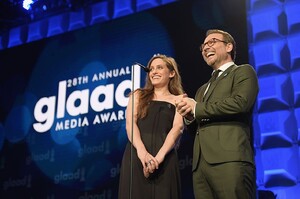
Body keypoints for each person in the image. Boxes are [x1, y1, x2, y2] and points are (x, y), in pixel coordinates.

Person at [176, 29, 259, 199]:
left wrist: (197, 108)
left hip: (230, 161)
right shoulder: (202, 89)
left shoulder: (243, 72)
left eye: (212, 42)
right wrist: (190, 116)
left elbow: (240, 103)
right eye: (204, 45)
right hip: (200, 167)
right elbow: (198, 127)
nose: (206, 47)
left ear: (229, 46)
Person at [118, 54, 185, 199]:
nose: (154, 72)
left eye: (159, 68)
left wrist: (158, 158)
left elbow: (178, 128)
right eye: (151, 69)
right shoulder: (137, 95)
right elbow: (130, 124)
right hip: (136, 155)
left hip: (165, 158)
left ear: (172, 73)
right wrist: (142, 153)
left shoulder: (180, 99)